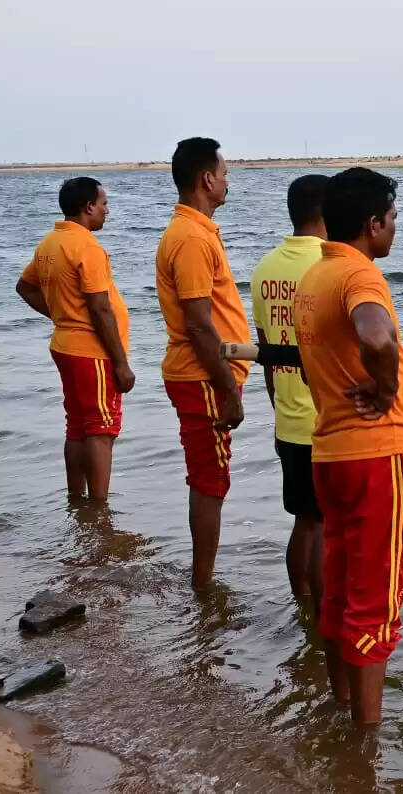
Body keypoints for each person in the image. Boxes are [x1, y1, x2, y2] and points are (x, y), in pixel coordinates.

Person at [293, 167, 403, 728]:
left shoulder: (315, 277)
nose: (395, 228)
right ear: (372, 224)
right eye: (393, 218)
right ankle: (365, 746)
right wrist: (387, 389)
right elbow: (376, 338)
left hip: (332, 455)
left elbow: (329, 366)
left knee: (339, 593)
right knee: (375, 602)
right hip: (378, 459)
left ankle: (340, 705)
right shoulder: (361, 275)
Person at [155, 137, 252, 590]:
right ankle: (204, 586)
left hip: (204, 374)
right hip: (203, 377)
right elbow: (198, 324)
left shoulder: (196, 231)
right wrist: (228, 389)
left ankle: (203, 581)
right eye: (225, 174)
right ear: (207, 179)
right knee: (210, 481)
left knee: (211, 477)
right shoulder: (191, 238)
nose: (229, 182)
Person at [15, 177, 134, 502]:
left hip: (65, 346)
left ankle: (77, 500)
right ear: (88, 207)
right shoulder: (86, 247)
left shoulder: (50, 243)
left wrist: (62, 315)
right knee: (101, 429)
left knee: (78, 426)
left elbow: (24, 287)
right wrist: (121, 364)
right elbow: (100, 307)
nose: (107, 210)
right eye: (104, 204)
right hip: (92, 352)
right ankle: (99, 508)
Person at [250, 174, 328, 617]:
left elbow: (266, 353)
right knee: (327, 525)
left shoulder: (265, 269)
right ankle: (323, 619)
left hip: (287, 414)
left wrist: (278, 412)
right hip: (327, 419)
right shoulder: (331, 265)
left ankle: (302, 608)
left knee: (305, 520)